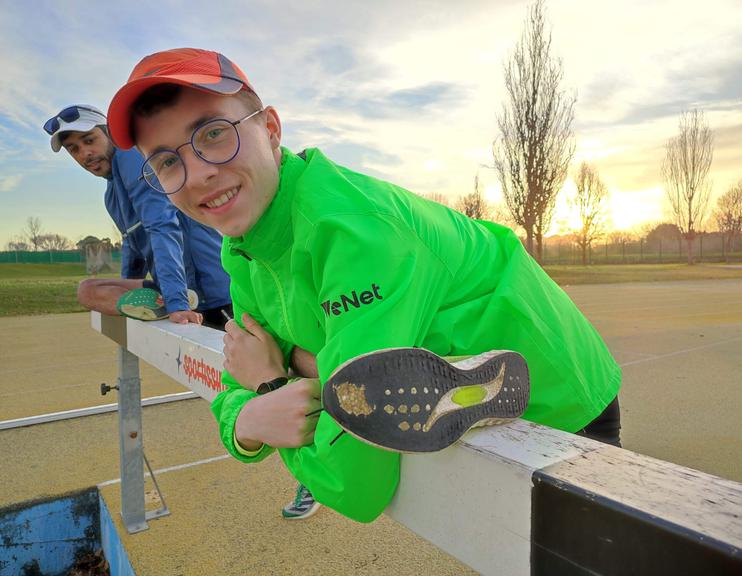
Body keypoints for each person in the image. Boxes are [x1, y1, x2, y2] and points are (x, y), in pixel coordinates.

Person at [106, 48, 622, 523]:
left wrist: (274, 386)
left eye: (214, 133)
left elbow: (353, 484)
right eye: (167, 162)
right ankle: (340, 365)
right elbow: (236, 373)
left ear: (271, 129)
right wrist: (246, 423)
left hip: (559, 405)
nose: (196, 175)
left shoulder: (356, 231)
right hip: (459, 388)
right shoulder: (241, 246)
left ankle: (343, 365)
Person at [44, 104, 233, 328]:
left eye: (89, 140)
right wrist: (128, 302)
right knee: (88, 290)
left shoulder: (134, 160)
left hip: (211, 295)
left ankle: (171, 302)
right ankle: (156, 306)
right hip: (173, 288)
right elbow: (132, 248)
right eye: (73, 149)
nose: (85, 153)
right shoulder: (111, 194)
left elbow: (163, 227)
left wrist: (177, 303)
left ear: (109, 133)